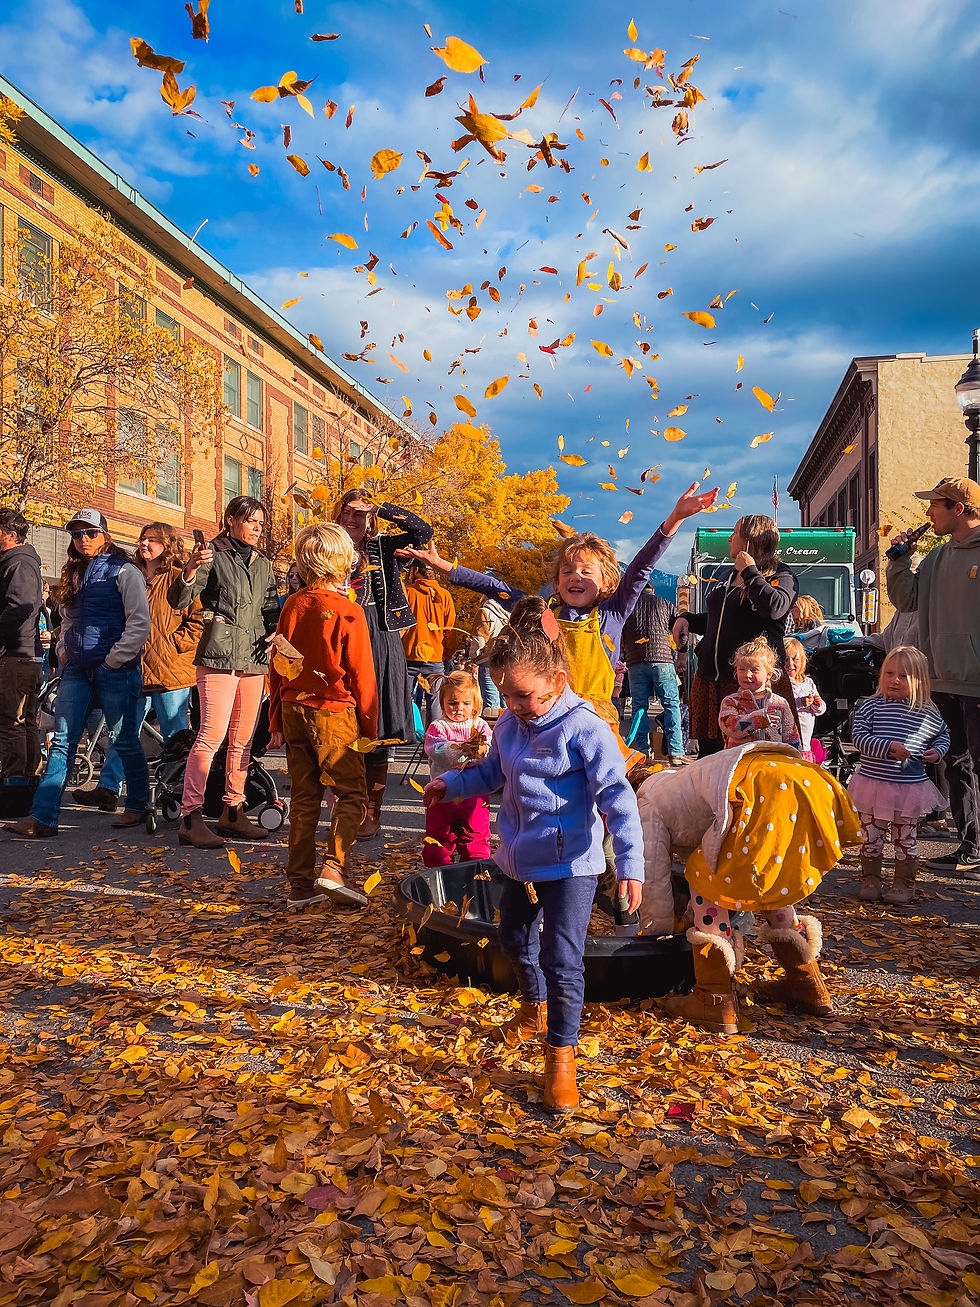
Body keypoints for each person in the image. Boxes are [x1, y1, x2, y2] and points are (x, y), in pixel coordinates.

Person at [423, 598, 645, 1115]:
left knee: (562, 957)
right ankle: (535, 1007)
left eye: (525, 696)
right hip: (519, 859)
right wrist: (453, 782)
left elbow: (618, 798)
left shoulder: (584, 729)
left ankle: (560, 1056)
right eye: (506, 696)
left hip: (571, 864)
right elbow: (492, 773)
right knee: (513, 937)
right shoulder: (509, 724)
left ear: (558, 681)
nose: (516, 705)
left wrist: (630, 864)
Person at [402, 481, 719, 767]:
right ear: (557, 579)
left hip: (596, 723)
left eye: (586, 571)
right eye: (567, 571)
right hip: (548, 721)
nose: (575, 577)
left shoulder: (612, 612)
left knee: (602, 794)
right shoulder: (545, 613)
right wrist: (445, 567)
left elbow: (640, 568)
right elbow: (494, 588)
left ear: (607, 580)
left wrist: (674, 519)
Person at [636, 742, 862, 1033]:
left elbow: (652, 877)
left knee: (705, 879)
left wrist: (655, 937)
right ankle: (807, 985)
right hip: (803, 779)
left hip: (758, 789)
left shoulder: (646, 804)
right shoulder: (674, 778)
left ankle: (713, 999)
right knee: (763, 878)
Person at [4, 509, 150, 839]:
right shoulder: (74, 571)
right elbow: (68, 618)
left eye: (90, 533)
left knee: (124, 739)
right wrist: (63, 650)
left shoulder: (125, 570)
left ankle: (139, 805)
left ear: (105, 534)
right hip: (77, 669)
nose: (83, 539)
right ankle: (43, 818)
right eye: (76, 534)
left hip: (116, 671)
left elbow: (139, 622)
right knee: (62, 743)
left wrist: (113, 659)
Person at [268, 523, 378, 911]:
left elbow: (278, 664)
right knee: (351, 794)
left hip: (294, 706)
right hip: (334, 711)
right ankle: (334, 868)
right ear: (343, 561)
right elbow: (362, 674)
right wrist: (370, 727)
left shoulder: (293, 604)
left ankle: (300, 883)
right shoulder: (349, 611)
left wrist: (275, 720)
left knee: (304, 797)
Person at [168, 496, 280, 849]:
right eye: (250, 520)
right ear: (230, 520)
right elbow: (178, 600)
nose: (257, 527)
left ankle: (234, 810)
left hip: (254, 656)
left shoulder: (263, 563)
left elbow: (269, 606)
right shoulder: (212, 554)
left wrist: (277, 628)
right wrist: (189, 570)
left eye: (261, 521)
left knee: (243, 740)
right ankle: (191, 816)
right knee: (210, 736)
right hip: (218, 655)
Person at [73, 522, 203, 814]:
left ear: (167, 544)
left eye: (153, 540)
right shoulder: (130, 573)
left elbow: (198, 621)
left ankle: (178, 795)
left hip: (171, 671)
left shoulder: (180, 577)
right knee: (123, 732)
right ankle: (108, 789)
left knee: (175, 736)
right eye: (143, 539)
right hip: (133, 666)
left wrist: (173, 645)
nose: (145, 544)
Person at [886, 477, 980, 877]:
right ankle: (971, 845)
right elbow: (906, 600)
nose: (928, 513)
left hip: (977, 680)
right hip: (941, 679)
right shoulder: (937, 557)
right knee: (957, 764)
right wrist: (899, 560)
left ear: (958, 508)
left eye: (935, 506)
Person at [334, 490, 434, 839]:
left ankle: (370, 812)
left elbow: (423, 532)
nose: (352, 520)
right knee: (339, 725)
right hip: (336, 633)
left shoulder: (383, 548)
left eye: (359, 515)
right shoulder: (326, 545)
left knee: (375, 727)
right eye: (347, 512)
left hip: (377, 634)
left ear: (370, 519)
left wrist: (380, 506)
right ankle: (346, 807)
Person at [675, 515, 799, 756]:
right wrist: (687, 620)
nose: (729, 538)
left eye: (735, 533)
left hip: (751, 682)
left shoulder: (782, 575)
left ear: (750, 540)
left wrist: (751, 571)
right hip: (712, 680)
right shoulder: (728, 576)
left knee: (753, 755)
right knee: (710, 757)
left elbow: (775, 608)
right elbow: (717, 620)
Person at [848, 646, 949, 905]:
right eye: (890, 673)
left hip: (908, 786)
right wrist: (888, 748)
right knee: (871, 834)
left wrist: (937, 751)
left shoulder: (927, 710)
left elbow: (943, 733)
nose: (895, 680)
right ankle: (870, 878)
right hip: (874, 783)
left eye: (904, 676)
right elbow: (859, 737)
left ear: (919, 681)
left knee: (905, 837)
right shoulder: (870, 705)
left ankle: (904, 883)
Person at [422, 670, 493, 867]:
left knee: (476, 837)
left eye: (466, 703)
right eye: (452, 703)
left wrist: (481, 749)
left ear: (475, 705)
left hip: (475, 795)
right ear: (443, 703)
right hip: (443, 795)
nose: (459, 708)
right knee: (439, 839)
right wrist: (461, 749)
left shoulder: (480, 726)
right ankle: (438, 872)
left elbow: (490, 748)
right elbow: (436, 751)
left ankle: (475, 871)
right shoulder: (439, 726)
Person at [621, 582, 686, 763]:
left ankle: (643, 751)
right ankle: (676, 752)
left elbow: (619, 633)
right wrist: (682, 656)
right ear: (653, 591)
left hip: (635, 662)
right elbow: (681, 630)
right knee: (671, 704)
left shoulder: (628, 607)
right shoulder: (665, 604)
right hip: (663, 660)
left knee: (639, 706)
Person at [0, 509, 43, 782]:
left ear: (11, 535)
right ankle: (27, 780)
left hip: (17, 655)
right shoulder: (19, 562)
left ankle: (16, 782)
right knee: (24, 722)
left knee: (11, 722)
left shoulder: (19, 564)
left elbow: (19, 605)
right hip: (24, 654)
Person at [719, 638, 801, 750]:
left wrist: (795, 759)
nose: (747, 674)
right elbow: (730, 727)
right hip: (741, 761)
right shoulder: (731, 702)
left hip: (771, 761)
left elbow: (791, 736)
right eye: (741, 669)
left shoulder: (780, 703)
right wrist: (758, 719)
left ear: (768, 673)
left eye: (754, 670)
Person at [401, 562, 457, 720]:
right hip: (435, 656)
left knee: (403, 699)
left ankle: (403, 738)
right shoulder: (444, 595)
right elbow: (450, 630)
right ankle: (433, 740)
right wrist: (446, 654)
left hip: (408, 655)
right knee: (434, 702)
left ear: (415, 570)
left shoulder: (408, 593)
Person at [784, 637, 826, 762]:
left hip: (805, 743)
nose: (790, 664)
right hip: (788, 741)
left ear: (802, 661)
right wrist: (800, 702)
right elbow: (783, 705)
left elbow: (820, 711)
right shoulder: (782, 684)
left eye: (795, 659)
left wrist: (818, 704)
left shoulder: (808, 682)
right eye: (786, 659)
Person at [467, 591, 508, 716]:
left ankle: (492, 731)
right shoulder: (508, 613)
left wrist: (473, 655)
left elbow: (479, 638)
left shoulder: (485, 612)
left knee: (491, 703)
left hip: (487, 659)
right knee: (506, 698)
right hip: (506, 660)